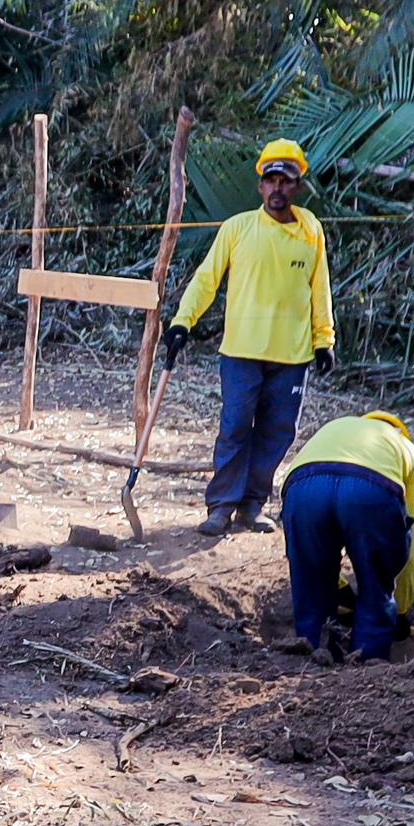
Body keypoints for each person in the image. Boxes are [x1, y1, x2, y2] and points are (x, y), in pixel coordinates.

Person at [157, 138, 333, 535]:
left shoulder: (311, 231)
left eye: (285, 182)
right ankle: (221, 506)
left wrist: (325, 340)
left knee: (276, 433)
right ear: (259, 186)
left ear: (297, 186)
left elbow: (319, 288)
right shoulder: (238, 228)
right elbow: (206, 279)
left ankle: (252, 506)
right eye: (270, 181)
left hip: (293, 355)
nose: (277, 189)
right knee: (235, 426)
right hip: (241, 351)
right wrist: (183, 321)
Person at [277, 409, 414, 662]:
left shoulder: (334, 427)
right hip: (371, 492)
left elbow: (301, 543)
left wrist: (339, 588)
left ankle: (312, 658)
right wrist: (400, 609)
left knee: (312, 588)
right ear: (401, 432)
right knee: (375, 588)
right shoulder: (409, 451)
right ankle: (367, 668)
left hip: (303, 489)